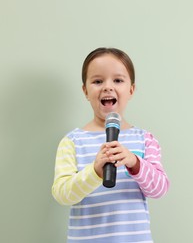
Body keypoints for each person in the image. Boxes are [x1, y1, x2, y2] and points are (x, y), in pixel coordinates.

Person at [52, 47, 170, 242]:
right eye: (98, 81)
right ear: (85, 91)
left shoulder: (145, 139)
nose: (107, 87)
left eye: (118, 80)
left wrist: (135, 162)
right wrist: (95, 172)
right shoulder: (72, 142)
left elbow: (160, 189)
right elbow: (63, 195)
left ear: (131, 89)